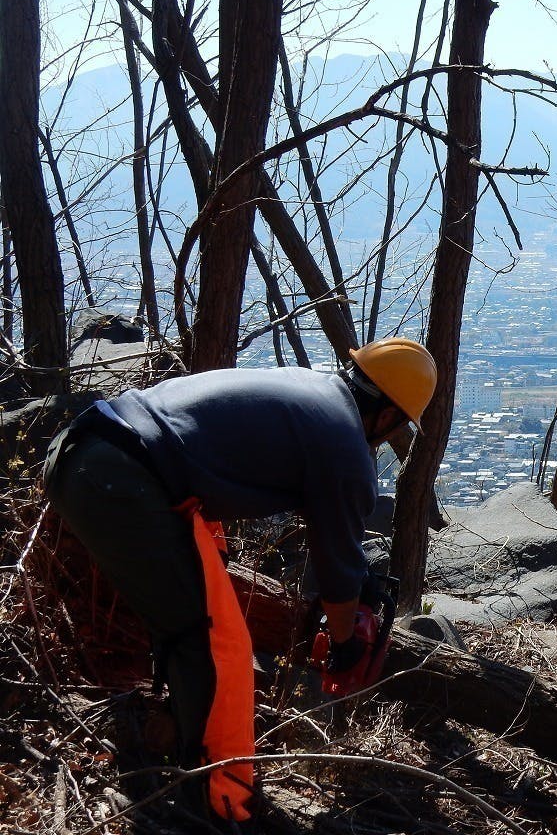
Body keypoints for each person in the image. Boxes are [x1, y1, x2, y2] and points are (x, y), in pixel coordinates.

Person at [41, 338, 436, 826]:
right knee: (214, 644)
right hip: (118, 478)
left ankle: (181, 738)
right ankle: (223, 801)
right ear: (390, 416)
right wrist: (345, 644)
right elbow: (336, 571)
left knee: (199, 607)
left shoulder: (307, 390)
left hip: (87, 451)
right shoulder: (344, 443)